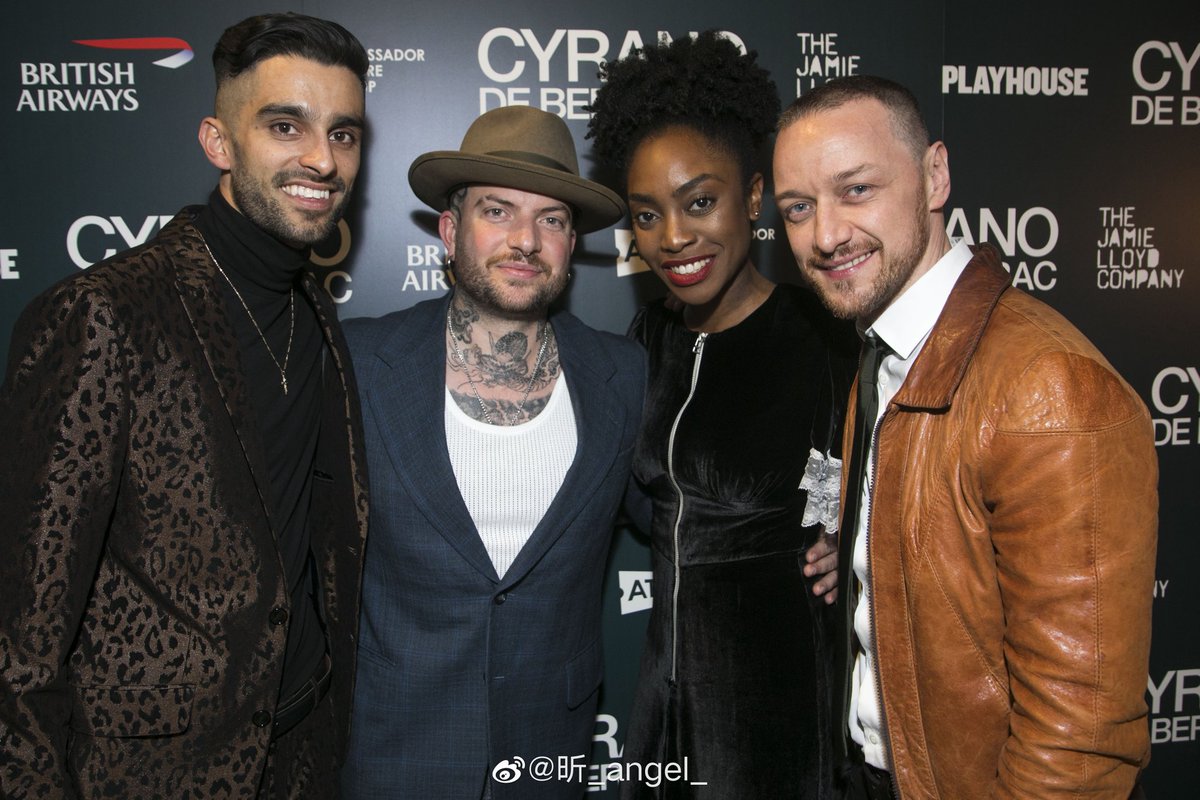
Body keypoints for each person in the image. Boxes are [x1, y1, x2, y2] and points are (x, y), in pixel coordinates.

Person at [0, 13, 370, 798]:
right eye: (284, 125)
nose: (321, 159)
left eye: (345, 134)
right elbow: (20, 639)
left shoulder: (317, 315)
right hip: (158, 775)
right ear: (218, 142)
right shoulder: (106, 313)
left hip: (307, 752)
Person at [772, 75, 1158, 799]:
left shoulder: (1048, 386)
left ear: (935, 175)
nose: (824, 235)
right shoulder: (881, 357)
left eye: (856, 190)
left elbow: (1078, 747)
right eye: (798, 207)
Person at [339, 105, 645, 800]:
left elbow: (682, 517)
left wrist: (807, 529)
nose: (526, 240)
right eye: (498, 211)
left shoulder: (622, 375)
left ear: (571, 245)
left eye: (553, 220)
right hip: (394, 754)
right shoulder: (357, 363)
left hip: (549, 754)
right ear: (451, 232)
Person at [586, 32, 856, 798]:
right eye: (647, 215)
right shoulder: (649, 341)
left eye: (699, 202)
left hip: (770, 703)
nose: (673, 238)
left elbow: (847, 474)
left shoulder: (821, 339)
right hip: (662, 695)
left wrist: (847, 538)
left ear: (755, 197)